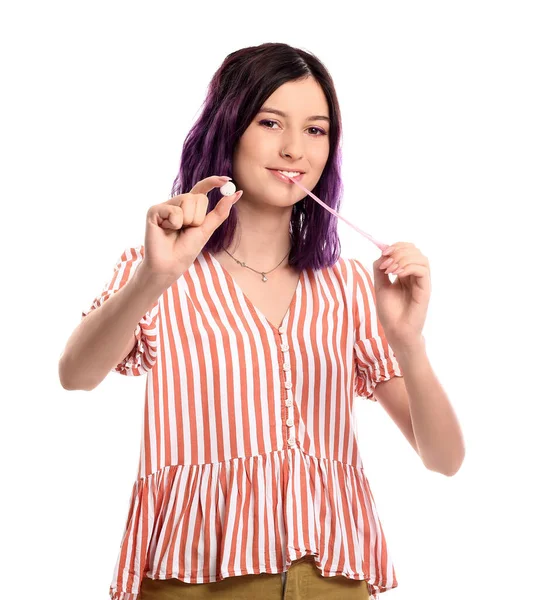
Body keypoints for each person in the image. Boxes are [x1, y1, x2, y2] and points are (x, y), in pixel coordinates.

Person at [58, 42, 464, 600]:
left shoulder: (348, 286)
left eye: (316, 131)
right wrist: (156, 276)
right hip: (194, 575)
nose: (295, 149)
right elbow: (75, 374)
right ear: (229, 129)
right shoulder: (157, 269)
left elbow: (444, 460)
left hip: (331, 578)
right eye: (271, 122)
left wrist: (410, 344)